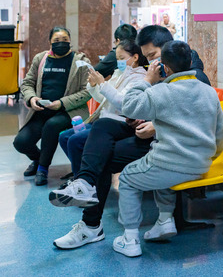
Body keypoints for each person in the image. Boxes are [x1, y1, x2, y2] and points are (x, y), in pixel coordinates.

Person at [49, 27, 211, 251]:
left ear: (168, 50)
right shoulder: (161, 73)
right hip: (154, 134)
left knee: (101, 156)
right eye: (148, 58)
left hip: (169, 145)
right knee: (103, 129)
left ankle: (93, 224)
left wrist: (154, 124)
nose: (151, 63)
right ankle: (85, 187)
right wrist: (145, 120)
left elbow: (195, 114)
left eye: (153, 56)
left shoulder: (189, 75)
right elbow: (148, 107)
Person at [13, 26, 91, 186]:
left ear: (70, 42)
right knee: (21, 142)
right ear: (50, 42)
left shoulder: (81, 61)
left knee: (52, 126)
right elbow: (27, 84)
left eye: (64, 40)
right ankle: (38, 159)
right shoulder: (40, 59)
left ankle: (42, 168)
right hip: (41, 110)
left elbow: (87, 91)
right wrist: (32, 98)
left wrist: (62, 103)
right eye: (56, 40)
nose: (60, 43)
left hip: (67, 112)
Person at [58, 40, 147, 176]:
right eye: (117, 59)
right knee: (64, 137)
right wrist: (93, 86)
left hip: (119, 123)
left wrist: (103, 84)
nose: (119, 62)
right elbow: (104, 99)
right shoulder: (119, 74)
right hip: (104, 120)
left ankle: (84, 179)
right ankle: (84, 173)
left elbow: (124, 103)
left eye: (122, 58)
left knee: (75, 141)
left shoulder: (139, 78)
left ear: (135, 57)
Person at [137, 25, 209, 85]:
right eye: (146, 57)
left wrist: (148, 81)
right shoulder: (161, 75)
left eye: (152, 54)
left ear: (166, 47)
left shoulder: (196, 78)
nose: (150, 61)